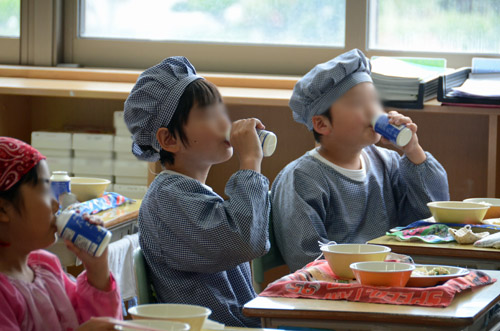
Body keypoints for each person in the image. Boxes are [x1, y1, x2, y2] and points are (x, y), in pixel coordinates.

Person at [271, 49, 450, 272]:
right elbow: (307, 257)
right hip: (338, 291)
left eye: (374, 101)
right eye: (358, 103)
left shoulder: (388, 162)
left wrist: (413, 151)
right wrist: (374, 266)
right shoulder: (302, 178)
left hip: (392, 278)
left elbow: (431, 218)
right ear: (322, 124)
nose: (374, 111)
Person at [124, 56, 270, 327]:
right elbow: (245, 240)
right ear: (169, 139)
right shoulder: (167, 198)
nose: (225, 123)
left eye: (221, 111)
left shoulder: (188, 191)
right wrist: (250, 160)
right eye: (207, 114)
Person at [0, 137, 122, 330]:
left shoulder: (47, 268)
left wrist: (97, 269)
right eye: (44, 189)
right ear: (3, 210)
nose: (56, 204)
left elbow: (96, 323)